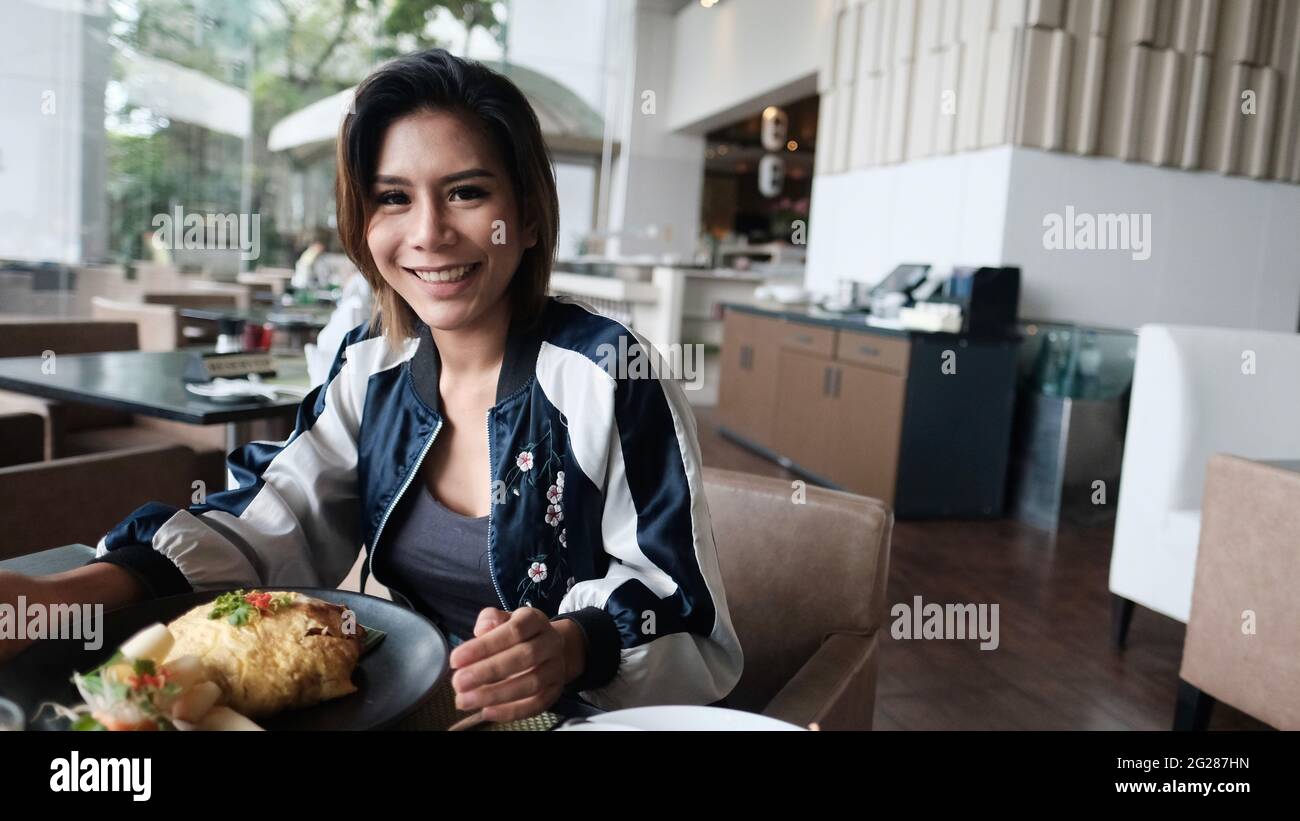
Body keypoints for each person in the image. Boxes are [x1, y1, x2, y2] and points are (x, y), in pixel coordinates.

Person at [0, 48, 743, 722]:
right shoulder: (370, 365)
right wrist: (58, 599)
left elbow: (687, 614)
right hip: (408, 706)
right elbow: (272, 515)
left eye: (465, 192)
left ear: (525, 217)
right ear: (364, 222)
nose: (427, 233)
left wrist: (576, 643)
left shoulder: (609, 374)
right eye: (393, 197)